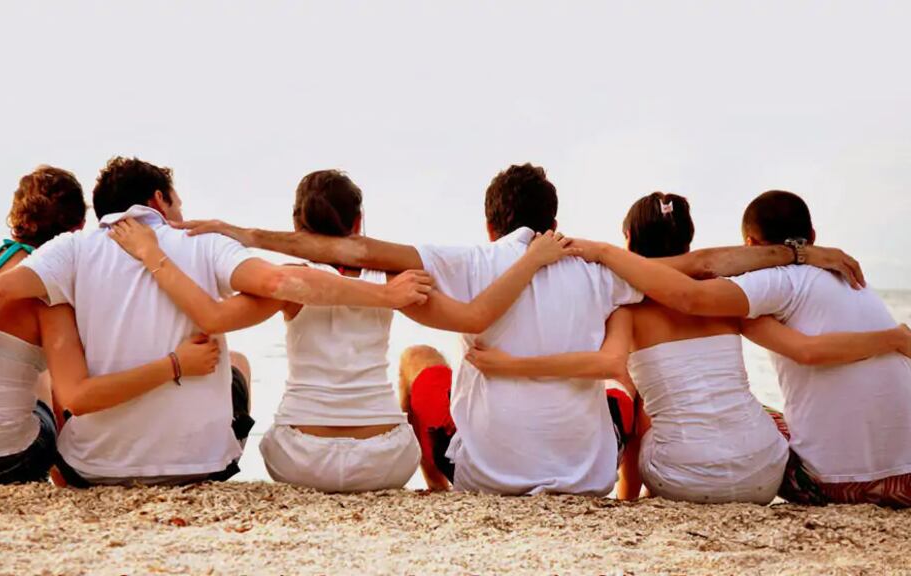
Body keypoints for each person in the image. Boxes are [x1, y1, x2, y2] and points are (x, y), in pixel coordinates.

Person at [153, 164, 862, 495]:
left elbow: (354, 252)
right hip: (586, 477)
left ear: (491, 224)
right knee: (622, 393)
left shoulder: (468, 260)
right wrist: (801, 255)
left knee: (424, 358)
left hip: (486, 475)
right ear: (552, 219)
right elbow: (701, 266)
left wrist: (244, 233)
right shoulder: (598, 269)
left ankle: (436, 484)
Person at [0, 157, 433, 487]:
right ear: (159, 199)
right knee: (238, 363)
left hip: (93, 470)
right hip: (202, 466)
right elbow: (282, 283)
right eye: (178, 201)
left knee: (52, 367)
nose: (182, 212)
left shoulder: (72, 250)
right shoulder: (205, 244)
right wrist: (383, 296)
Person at [107, 169, 576, 492]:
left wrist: (155, 259)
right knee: (416, 356)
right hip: (384, 461)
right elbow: (472, 318)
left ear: (296, 225)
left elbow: (213, 317)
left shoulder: (287, 283)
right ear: (358, 222)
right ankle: (436, 483)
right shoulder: (397, 280)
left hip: (299, 459)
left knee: (240, 364)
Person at [466, 192, 911, 504]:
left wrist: (511, 363)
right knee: (758, 409)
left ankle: (629, 493)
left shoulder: (625, 307)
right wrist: (891, 337)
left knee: (636, 401)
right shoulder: (731, 302)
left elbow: (612, 363)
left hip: (683, 478)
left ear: (628, 240)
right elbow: (803, 348)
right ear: (689, 239)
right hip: (762, 474)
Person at [0, 166, 224, 484]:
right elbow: (69, 398)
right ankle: (60, 474)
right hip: (0, 461)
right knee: (51, 375)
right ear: (78, 227)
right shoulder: (50, 297)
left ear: (15, 219)